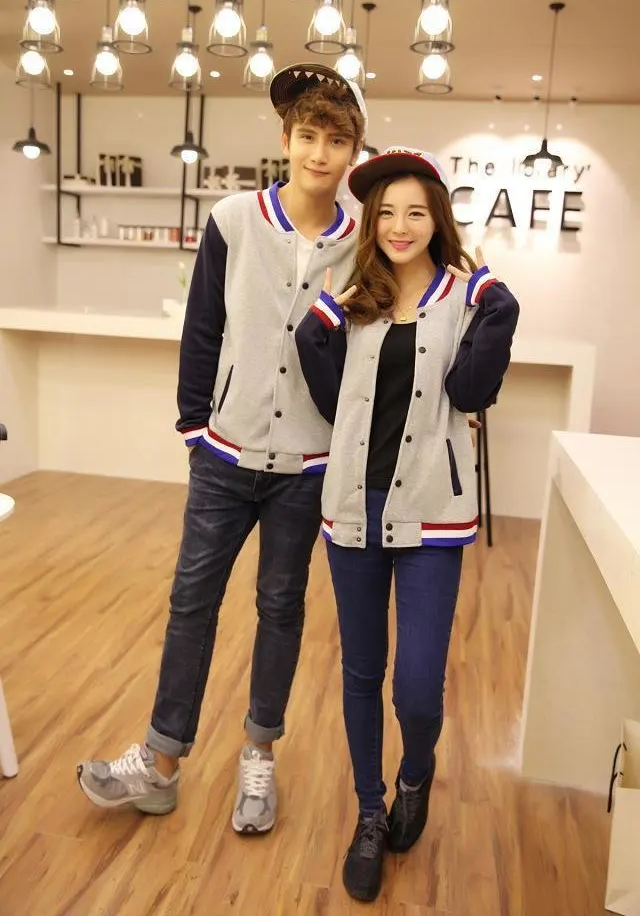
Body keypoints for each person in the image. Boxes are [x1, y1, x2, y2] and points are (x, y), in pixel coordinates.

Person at [76, 63, 367, 836]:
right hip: (225, 457)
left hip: (307, 467)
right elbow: (203, 326)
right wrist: (194, 429)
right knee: (191, 604)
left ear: (353, 151)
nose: (320, 153)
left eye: (337, 141)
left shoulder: (365, 239)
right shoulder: (235, 219)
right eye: (309, 136)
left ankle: (258, 758)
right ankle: (161, 764)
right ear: (286, 139)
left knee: (281, 608)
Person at [295, 146, 519, 901]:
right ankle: (369, 812)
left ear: (437, 219)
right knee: (361, 673)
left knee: (417, 689)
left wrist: (498, 302)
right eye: (385, 212)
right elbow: (328, 385)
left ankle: (415, 774)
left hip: (431, 516)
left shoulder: (464, 299)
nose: (398, 225)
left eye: (415, 212)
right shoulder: (356, 297)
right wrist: (328, 317)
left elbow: (470, 390)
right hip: (353, 513)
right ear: (372, 222)